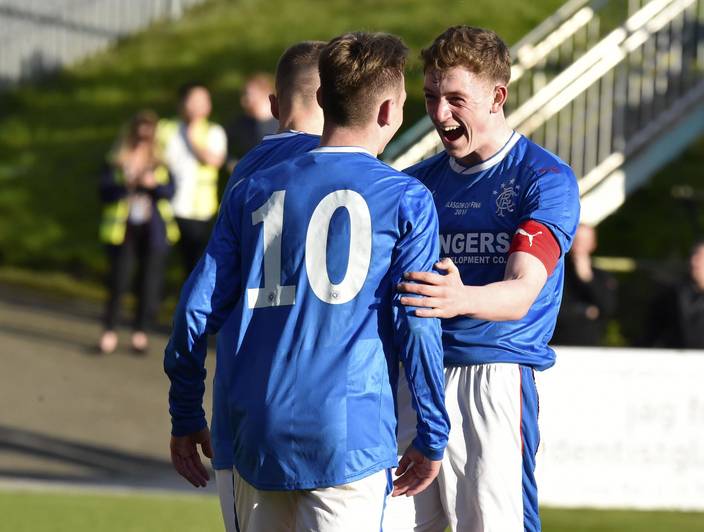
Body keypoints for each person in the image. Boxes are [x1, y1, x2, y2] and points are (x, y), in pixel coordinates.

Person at [164, 32, 449, 532]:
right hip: (348, 434)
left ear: (322, 99)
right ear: (388, 112)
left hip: (257, 428)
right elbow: (418, 320)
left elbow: (195, 309)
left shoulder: (252, 186)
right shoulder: (406, 198)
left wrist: (186, 410)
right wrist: (432, 428)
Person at [388, 26, 580, 532]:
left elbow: (521, 293)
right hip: (416, 379)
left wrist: (459, 297)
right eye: (431, 98)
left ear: (498, 96)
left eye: (455, 99)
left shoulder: (542, 178)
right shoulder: (417, 184)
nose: (440, 114)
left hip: (492, 377)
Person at [210, 39, 326, 532]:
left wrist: (183, 406)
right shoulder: (356, 174)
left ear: (275, 106)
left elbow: (203, 299)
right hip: (332, 414)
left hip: (245, 409)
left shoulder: (244, 174)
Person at [98, 110, 179, 355]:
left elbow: (170, 191)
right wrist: (127, 183)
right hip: (123, 230)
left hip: (153, 231)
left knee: (148, 283)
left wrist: (152, 185)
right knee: (118, 281)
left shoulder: (161, 164)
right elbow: (104, 192)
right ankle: (110, 330)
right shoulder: (116, 161)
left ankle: (140, 332)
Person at [157, 82, 227, 276]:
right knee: (156, 265)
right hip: (166, 207)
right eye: (193, 100)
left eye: (203, 100)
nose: (198, 106)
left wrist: (192, 138)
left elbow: (214, 160)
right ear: (182, 103)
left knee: (194, 266)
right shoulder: (166, 128)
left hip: (199, 211)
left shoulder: (213, 131)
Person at [552, 223, 617, 346]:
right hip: (556, 343)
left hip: (589, 347)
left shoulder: (601, 276)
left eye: (584, 241)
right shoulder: (556, 272)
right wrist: (584, 311)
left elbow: (608, 308)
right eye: (577, 240)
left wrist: (587, 279)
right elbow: (553, 308)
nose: (579, 245)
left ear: (593, 244)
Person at [224, 73, 279, 174]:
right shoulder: (239, 123)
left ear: (264, 93)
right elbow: (222, 145)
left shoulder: (283, 122)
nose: (243, 100)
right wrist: (232, 164)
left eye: (248, 94)